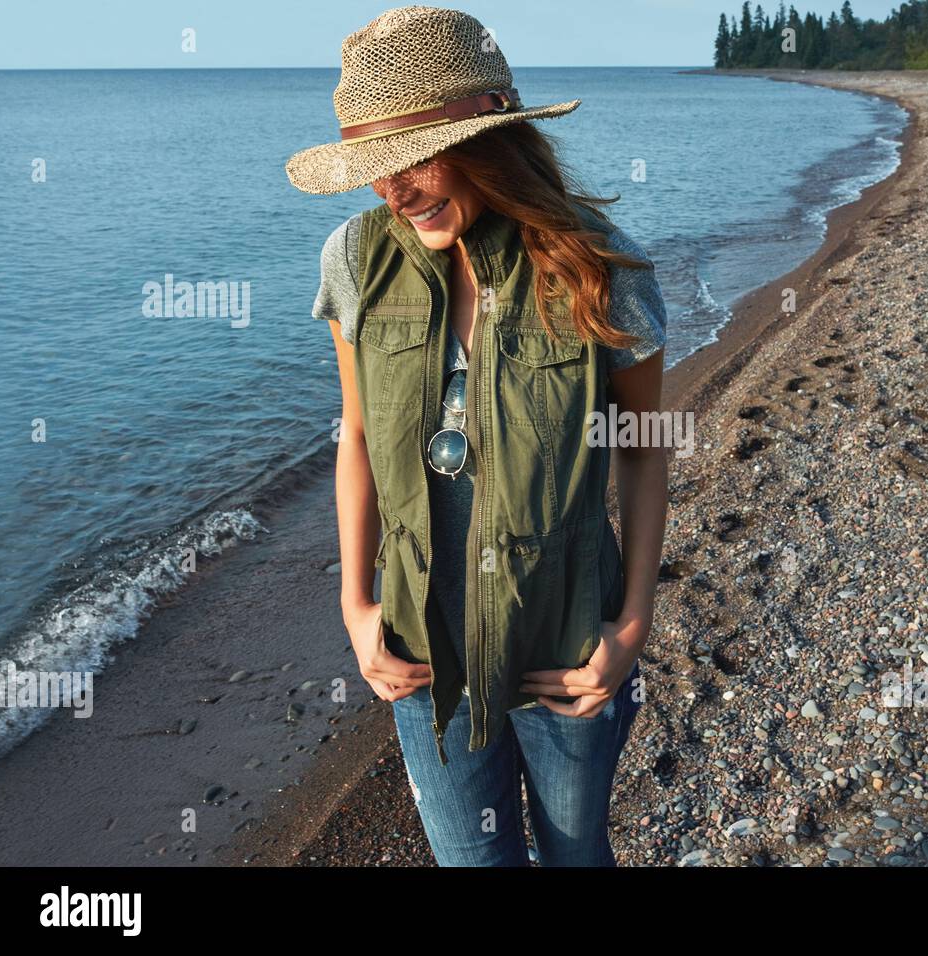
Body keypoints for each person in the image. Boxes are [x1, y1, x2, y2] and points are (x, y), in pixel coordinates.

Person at [285, 6, 670, 866]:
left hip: (565, 645)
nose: (394, 189)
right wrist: (355, 608)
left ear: (492, 142)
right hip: (423, 656)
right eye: (376, 170)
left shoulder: (595, 265)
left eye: (413, 160)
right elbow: (354, 434)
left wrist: (631, 627)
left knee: (576, 852)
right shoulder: (354, 261)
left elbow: (645, 450)